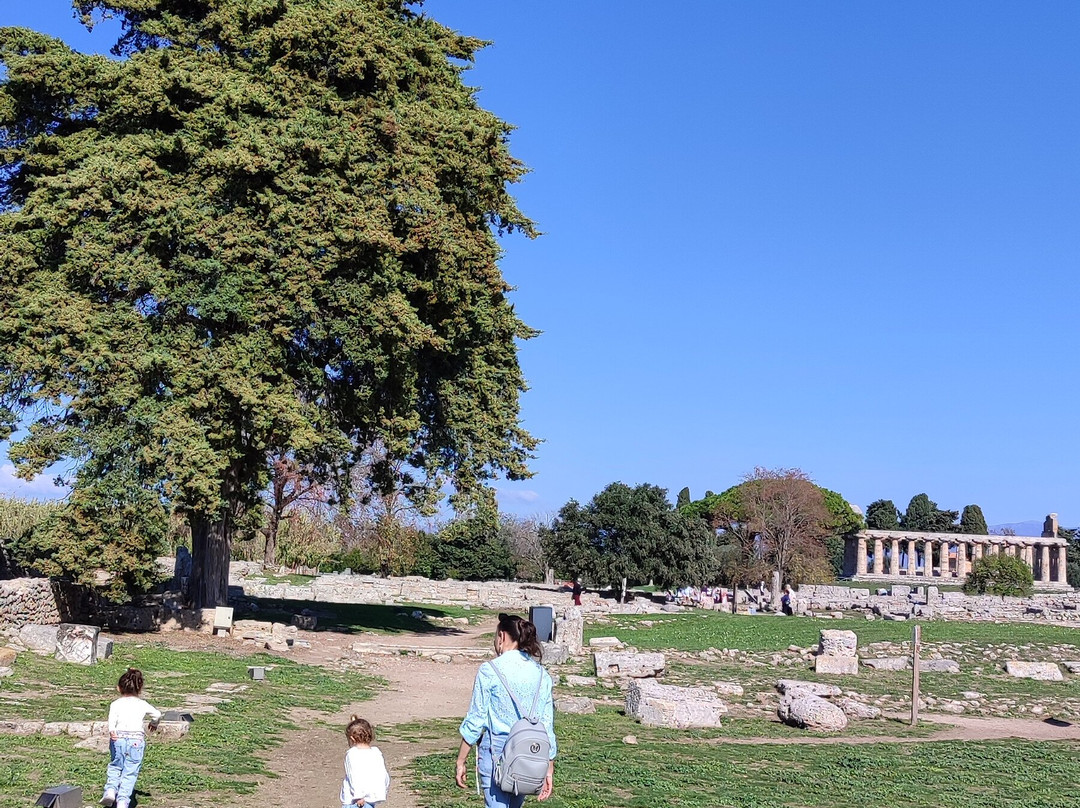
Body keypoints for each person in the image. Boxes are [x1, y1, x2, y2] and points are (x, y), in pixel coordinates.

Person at [456, 613, 556, 806]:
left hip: (497, 752)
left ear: (501, 636)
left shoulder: (490, 670)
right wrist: (548, 767)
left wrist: (461, 760)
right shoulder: (541, 674)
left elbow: (476, 720)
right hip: (530, 754)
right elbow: (546, 725)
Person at [101, 668, 161, 808]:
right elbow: (157, 714)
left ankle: (110, 790)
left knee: (116, 765)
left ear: (119, 687)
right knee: (130, 771)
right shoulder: (142, 704)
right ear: (140, 688)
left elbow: (112, 719)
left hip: (118, 738)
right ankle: (122, 801)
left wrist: (111, 731)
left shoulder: (116, 704)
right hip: (136, 740)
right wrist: (154, 723)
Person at [340, 715, 390, 808]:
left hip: (354, 801)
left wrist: (358, 796)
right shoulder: (376, 753)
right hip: (370, 799)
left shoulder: (352, 754)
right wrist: (383, 789)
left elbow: (353, 776)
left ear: (352, 738)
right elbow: (383, 773)